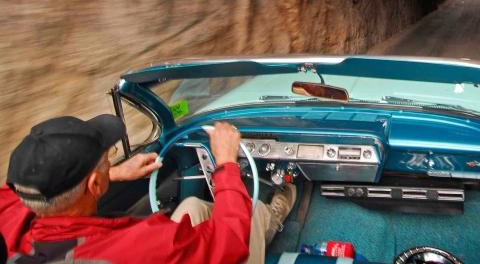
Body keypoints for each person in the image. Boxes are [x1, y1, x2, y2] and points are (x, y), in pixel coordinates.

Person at [0, 115, 295, 263]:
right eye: (107, 160)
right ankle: (266, 220)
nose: (110, 161)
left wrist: (113, 173)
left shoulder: (13, 206)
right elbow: (229, 243)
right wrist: (226, 162)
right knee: (249, 215)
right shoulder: (140, 250)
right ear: (94, 184)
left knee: (193, 208)